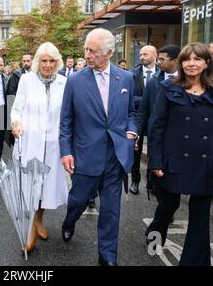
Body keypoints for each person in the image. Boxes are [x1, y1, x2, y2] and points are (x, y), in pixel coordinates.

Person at [147, 42, 213, 266]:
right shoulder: (168, 88)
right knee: (167, 206)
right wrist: (155, 160)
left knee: (200, 217)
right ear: (181, 63)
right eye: (187, 59)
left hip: (207, 161)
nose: (191, 64)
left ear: (206, 63)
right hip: (173, 159)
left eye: (197, 59)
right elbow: (156, 127)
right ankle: (156, 230)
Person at [59, 28, 137, 266]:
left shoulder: (125, 78)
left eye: (93, 51)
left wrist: (132, 131)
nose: (88, 55)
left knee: (111, 211)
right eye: (86, 50)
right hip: (85, 155)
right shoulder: (74, 81)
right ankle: (69, 221)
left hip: (116, 156)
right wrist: (66, 152)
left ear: (109, 52)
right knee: (78, 199)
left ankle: (107, 257)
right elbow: (66, 120)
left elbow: (132, 112)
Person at [11, 42, 68, 253]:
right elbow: (16, 109)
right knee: (30, 185)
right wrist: (16, 123)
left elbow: (67, 115)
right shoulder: (26, 80)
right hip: (30, 142)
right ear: (37, 61)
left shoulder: (64, 82)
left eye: (52, 61)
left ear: (57, 62)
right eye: (43, 60)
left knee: (47, 187)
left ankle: (39, 219)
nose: (47, 65)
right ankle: (30, 230)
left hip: (53, 145)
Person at [136, 45, 180, 198]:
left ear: (175, 61)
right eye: (158, 59)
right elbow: (143, 111)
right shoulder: (154, 82)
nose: (158, 62)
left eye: (162, 59)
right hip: (159, 135)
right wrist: (136, 133)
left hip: (180, 138)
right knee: (161, 181)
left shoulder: (189, 80)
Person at [130, 45, 160, 195]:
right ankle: (135, 180)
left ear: (155, 55)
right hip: (138, 116)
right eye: (141, 54)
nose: (142, 57)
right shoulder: (132, 74)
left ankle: (151, 182)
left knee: (154, 149)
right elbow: (130, 97)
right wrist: (146, 100)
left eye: (146, 54)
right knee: (136, 150)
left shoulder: (162, 74)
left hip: (155, 118)